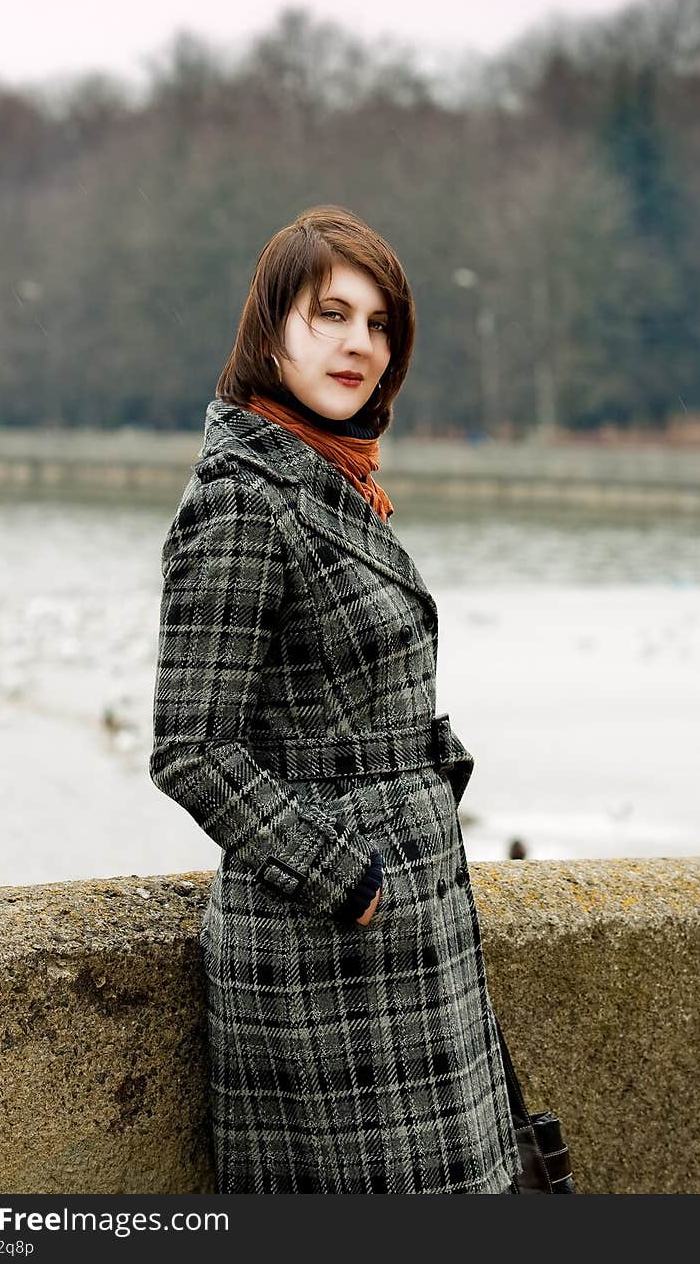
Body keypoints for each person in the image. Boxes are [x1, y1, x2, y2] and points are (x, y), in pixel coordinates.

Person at [149, 204, 522, 1194]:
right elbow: (191, 745)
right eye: (330, 314)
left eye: (379, 322)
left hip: (414, 916)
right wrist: (342, 879)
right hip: (327, 948)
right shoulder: (241, 496)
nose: (360, 343)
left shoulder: (333, 478)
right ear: (271, 327)